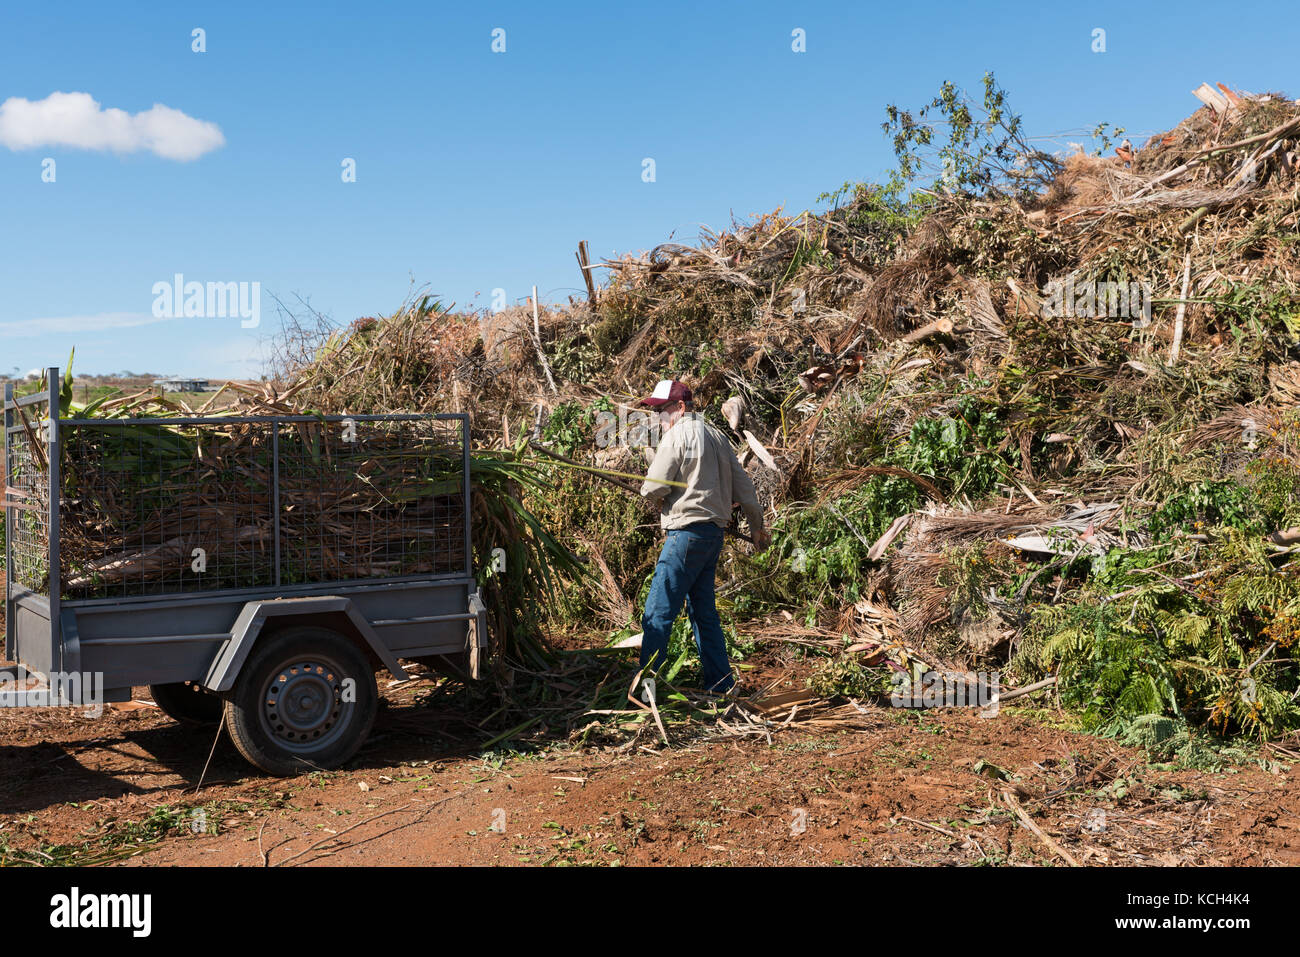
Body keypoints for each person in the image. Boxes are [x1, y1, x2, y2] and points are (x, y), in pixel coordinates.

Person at [637, 379, 769, 694]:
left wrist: (653, 497)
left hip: (685, 536)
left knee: (658, 612)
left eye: (662, 411)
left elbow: (652, 486)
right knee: (703, 612)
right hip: (712, 536)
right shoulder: (720, 438)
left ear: (680, 408)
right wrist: (757, 527)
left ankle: (645, 691)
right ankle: (721, 685)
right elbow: (746, 492)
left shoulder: (677, 434)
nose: (659, 419)